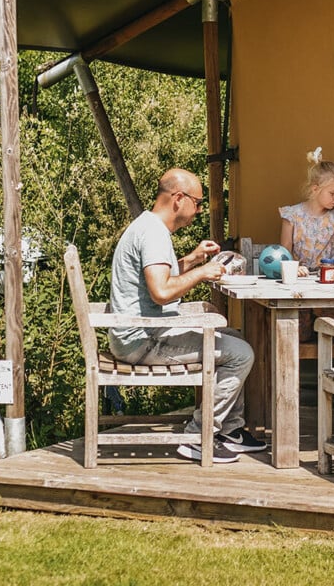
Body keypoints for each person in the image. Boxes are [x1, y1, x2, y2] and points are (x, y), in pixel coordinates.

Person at [109, 168, 267, 464]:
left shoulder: (149, 226)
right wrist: (202, 272)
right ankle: (198, 436)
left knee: (234, 337)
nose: (199, 210)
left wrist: (193, 259)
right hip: (143, 340)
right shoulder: (154, 233)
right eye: (197, 203)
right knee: (241, 354)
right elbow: (161, 291)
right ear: (178, 198)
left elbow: (158, 278)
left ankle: (229, 430)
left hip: (141, 332)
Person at [279, 147, 334, 274]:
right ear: (315, 189)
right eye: (332, 193)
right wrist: (295, 269)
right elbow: (285, 250)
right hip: (300, 277)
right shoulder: (292, 215)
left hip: (330, 276)